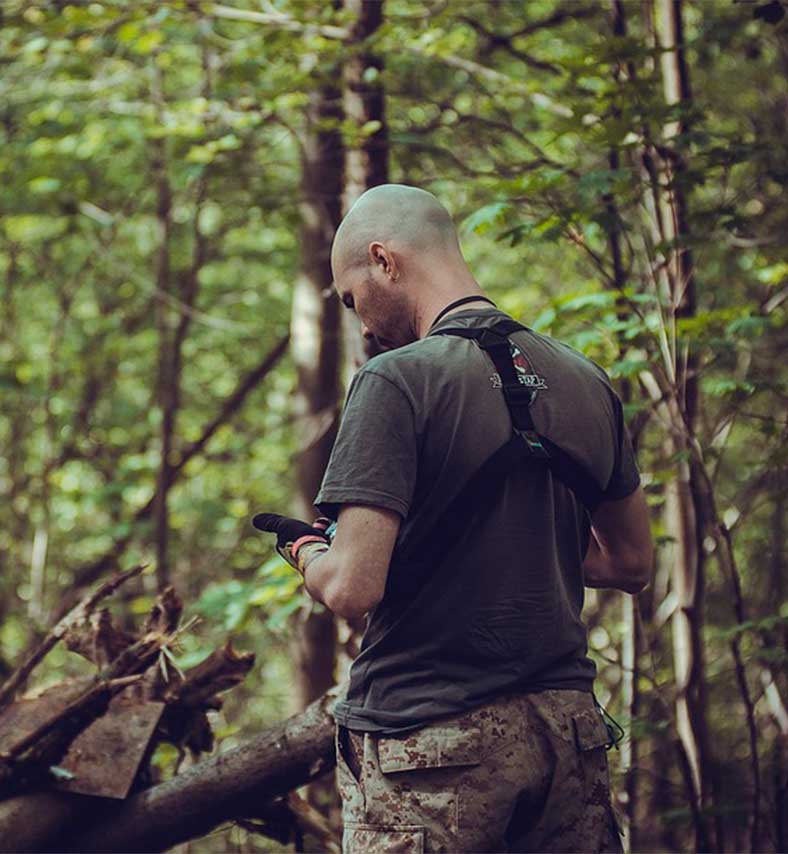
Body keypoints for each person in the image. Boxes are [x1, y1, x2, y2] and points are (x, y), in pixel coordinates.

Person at [253, 184, 653, 853]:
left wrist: (307, 554)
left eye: (352, 299)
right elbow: (632, 563)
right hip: (566, 736)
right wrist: (520, 537)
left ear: (383, 260)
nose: (361, 326)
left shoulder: (396, 380)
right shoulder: (586, 380)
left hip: (430, 744)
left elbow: (353, 587)